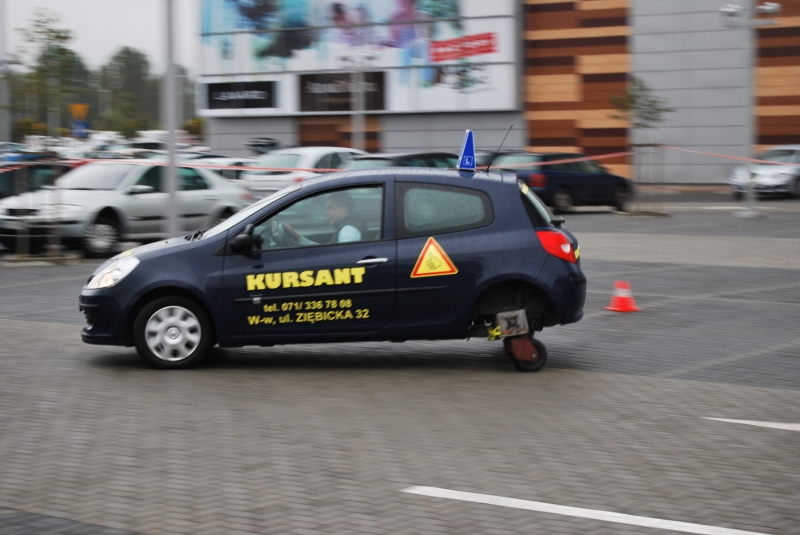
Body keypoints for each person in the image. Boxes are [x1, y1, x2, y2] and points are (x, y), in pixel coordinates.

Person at [282, 191, 364, 244]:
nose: (326, 214)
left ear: (343, 210)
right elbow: (324, 250)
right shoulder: (347, 227)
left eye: (330, 209)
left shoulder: (348, 231)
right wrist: (297, 237)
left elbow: (341, 258)